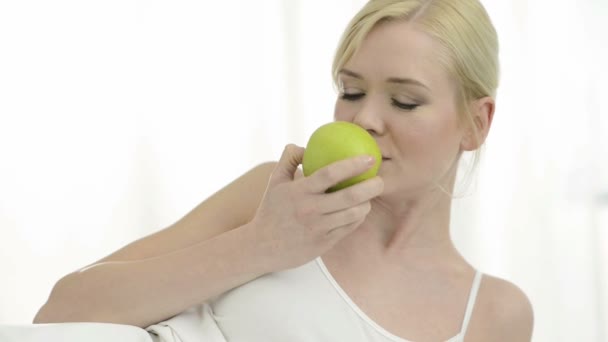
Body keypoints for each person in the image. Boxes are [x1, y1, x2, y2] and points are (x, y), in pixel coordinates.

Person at [34, 0, 534, 340]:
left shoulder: (495, 314)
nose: (364, 119)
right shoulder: (273, 201)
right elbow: (61, 313)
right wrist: (262, 245)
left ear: (475, 123)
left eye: (405, 101)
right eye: (351, 91)